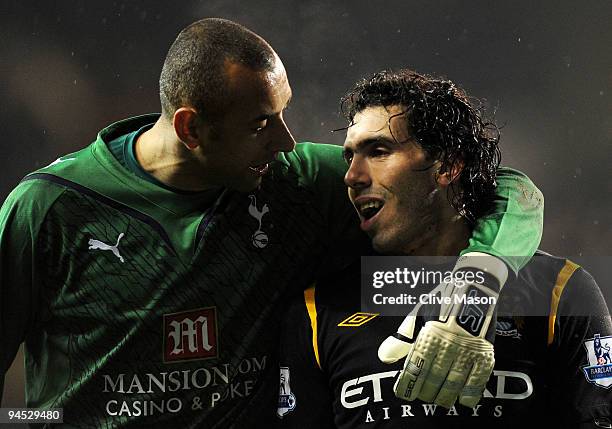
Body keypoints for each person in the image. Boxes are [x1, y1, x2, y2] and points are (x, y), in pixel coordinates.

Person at [0, 19, 544, 427]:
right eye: (262, 123)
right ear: (191, 128)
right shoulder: (48, 209)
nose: (285, 140)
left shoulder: (292, 180)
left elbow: (502, 186)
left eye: (283, 113)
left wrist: (478, 276)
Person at [277, 70, 612, 428]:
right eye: (349, 158)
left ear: (448, 165)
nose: (352, 176)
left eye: (378, 151)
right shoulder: (316, 309)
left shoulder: (561, 290)